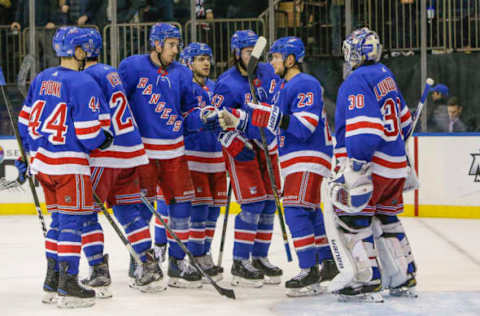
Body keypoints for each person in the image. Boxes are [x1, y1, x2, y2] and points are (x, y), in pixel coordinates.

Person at [16, 26, 113, 308]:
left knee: (57, 223)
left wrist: (28, 157)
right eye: (87, 49)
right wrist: (104, 138)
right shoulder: (84, 83)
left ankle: (51, 282)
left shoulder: (43, 77)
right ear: (79, 51)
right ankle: (69, 285)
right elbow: (87, 133)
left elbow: (24, 123)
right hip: (69, 165)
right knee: (71, 224)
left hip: (43, 164)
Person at [245, 36, 338, 296]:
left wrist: (267, 113)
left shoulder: (305, 82)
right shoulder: (286, 86)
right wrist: (238, 119)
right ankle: (327, 263)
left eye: (275, 57)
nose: (272, 61)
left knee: (296, 210)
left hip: (308, 155)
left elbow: (303, 127)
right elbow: (272, 126)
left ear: (290, 60)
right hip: (296, 159)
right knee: (309, 212)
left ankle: (309, 272)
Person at [329, 27, 417, 302]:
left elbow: (365, 131)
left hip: (372, 165)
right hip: (395, 163)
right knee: (386, 217)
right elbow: (405, 122)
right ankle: (403, 275)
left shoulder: (355, 81)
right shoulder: (385, 75)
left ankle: (365, 278)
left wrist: (356, 166)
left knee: (351, 217)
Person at [119, 23, 206, 288]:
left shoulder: (181, 72)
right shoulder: (132, 67)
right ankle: (141, 260)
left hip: (174, 152)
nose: (175, 50)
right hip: (143, 153)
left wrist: (203, 117)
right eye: (171, 44)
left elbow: (190, 109)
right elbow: (118, 101)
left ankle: (177, 264)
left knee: (181, 208)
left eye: (177, 44)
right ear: (156, 44)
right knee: (141, 209)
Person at [80, 28, 165, 294]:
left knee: (85, 213)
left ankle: (98, 270)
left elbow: (93, 119)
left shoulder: (84, 77)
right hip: (131, 152)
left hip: (107, 154)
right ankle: (149, 266)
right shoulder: (110, 71)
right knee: (129, 213)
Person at [212, 29, 283, 288]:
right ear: (235, 54)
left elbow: (276, 105)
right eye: (245, 52)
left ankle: (260, 257)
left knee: (268, 204)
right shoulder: (226, 83)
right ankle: (240, 262)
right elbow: (215, 119)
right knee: (253, 204)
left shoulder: (267, 73)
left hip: (267, 147)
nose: (251, 57)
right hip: (243, 149)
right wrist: (233, 144)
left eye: (254, 51)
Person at [180, 42, 226, 281]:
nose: (206, 63)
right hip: (193, 158)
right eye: (199, 59)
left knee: (213, 212)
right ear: (188, 63)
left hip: (217, 158)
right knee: (198, 211)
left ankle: (204, 254)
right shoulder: (184, 88)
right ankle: (195, 256)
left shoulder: (216, 88)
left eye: (207, 58)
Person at [10, 0, 59, 70]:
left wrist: (52, 21)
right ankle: (35, 79)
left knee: (50, 55)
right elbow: (20, 8)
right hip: (29, 29)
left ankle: (54, 78)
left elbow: (53, 5)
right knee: (32, 57)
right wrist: (17, 21)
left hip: (46, 29)